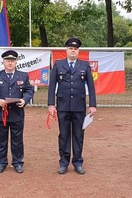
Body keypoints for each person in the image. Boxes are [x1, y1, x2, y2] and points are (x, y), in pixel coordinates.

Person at [47, 37, 97, 175]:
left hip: (79, 107)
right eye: (70, 49)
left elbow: (91, 87)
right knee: (63, 135)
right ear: (66, 50)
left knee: (78, 135)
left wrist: (92, 105)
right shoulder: (58, 64)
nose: (73, 51)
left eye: (75, 49)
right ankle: (63, 163)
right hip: (62, 106)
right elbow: (52, 86)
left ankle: (77, 162)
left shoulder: (84, 66)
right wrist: (51, 104)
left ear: (78, 51)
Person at [0, 50, 34, 173]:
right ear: (3, 62)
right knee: (1, 140)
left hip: (17, 113)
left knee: (17, 140)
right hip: (1, 114)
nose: (10, 63)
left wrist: (25, 100)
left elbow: (29, 90)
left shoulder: (23, 76)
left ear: (16, 62)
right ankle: (1, 162)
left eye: (12, 61)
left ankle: (17, 162)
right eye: (8, 61)